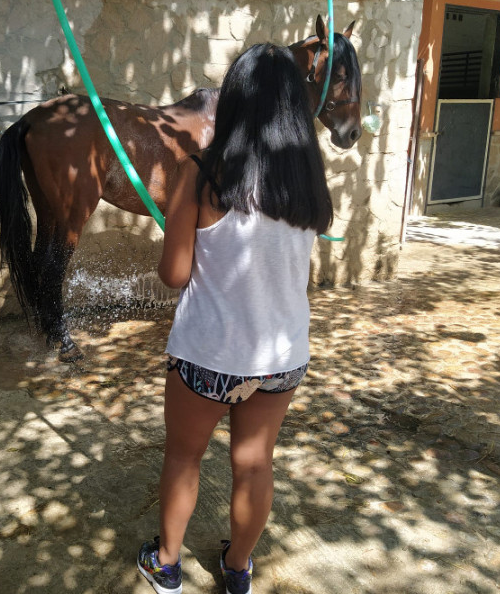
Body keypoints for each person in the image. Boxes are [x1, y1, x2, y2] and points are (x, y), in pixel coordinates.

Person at [136, 43, 334, 594]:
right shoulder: (308, 184)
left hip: (209, 354)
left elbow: (174, 274)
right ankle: (239, 567)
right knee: (254, 463)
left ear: (234, 102)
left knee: (184, 457)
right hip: (281, 358)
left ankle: (167, 564)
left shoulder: (200, 174)